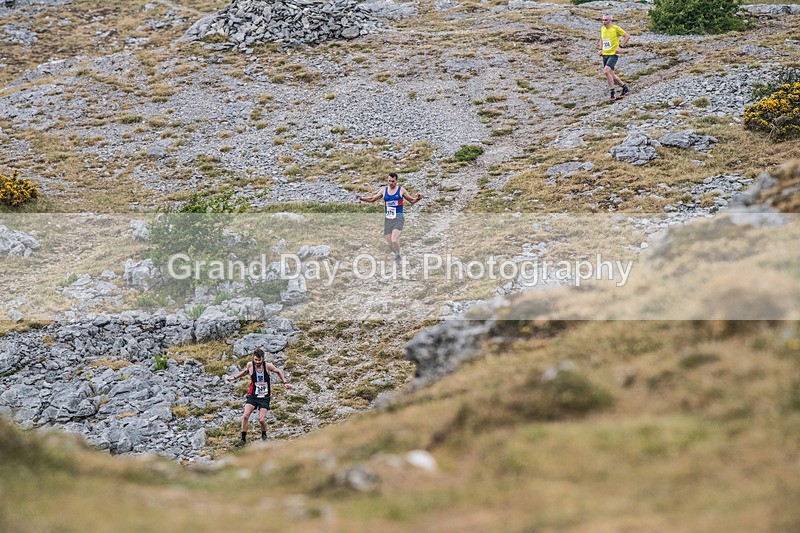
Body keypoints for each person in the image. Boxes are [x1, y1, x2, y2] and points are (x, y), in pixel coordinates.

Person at [227, 348, 292, 447]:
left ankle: (264, 434)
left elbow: (278, 371)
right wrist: (234, 377)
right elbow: (245, 371)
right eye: (255, 360)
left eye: (259, 360)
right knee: (245, 416)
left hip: (264, 397)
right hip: (253, 396)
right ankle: (243, 439)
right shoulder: (250, 365)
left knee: (261, 420)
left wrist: (285, 383)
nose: (257, 362)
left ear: (263, 358)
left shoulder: (268, 366)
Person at [355, 172, 423, 261]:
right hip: (388, 219)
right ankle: (397, 254)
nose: (391, 183)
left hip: (398, 218)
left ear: (396, 181)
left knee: (394, 240)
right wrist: (361, 198)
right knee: (390, 242)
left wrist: (418, 198)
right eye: (389, 181)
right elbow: (372, 199)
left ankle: (399, 255)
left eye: (393, 181)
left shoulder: (401, 190)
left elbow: (412, 201)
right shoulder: (384, 191)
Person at [598, 14, 630, 101]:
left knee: (606, 71)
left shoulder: (616, 28)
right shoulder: (602, 29)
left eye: (606, 20)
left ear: (610, 20)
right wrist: (600, 49)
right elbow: (601, 39)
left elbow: (627, 36)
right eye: (603, 20)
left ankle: (612, 93)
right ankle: (625, 87)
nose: (604, 22)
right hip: (605, 54)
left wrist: (621, 47)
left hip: (613, 54)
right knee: (611, 74)